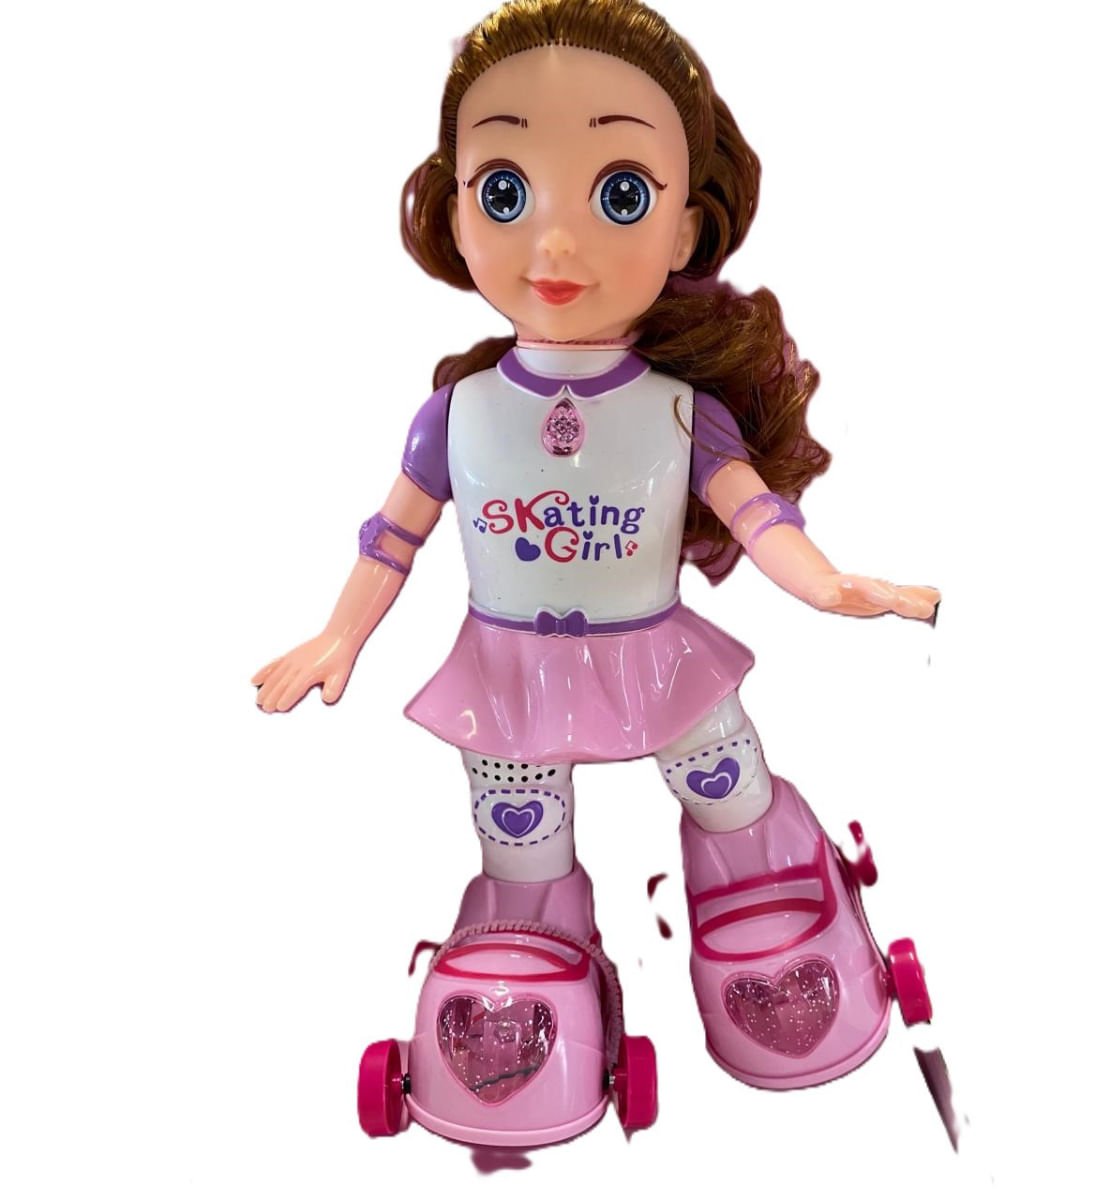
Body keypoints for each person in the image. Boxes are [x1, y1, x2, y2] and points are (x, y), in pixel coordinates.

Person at [254, 0, 939, 1137]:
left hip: (657, 660)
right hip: (507, 673)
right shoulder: (459, 414)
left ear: (684, 228)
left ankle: (768, 902)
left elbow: (755, 514)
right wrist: (339, 635)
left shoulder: (679, 410)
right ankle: (533, 961)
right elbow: (392, 537)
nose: (557, 246)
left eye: (619, 194)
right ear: (456, 212)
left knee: (731, 794)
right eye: (506, 192)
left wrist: (827, 584)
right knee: (520, 845)